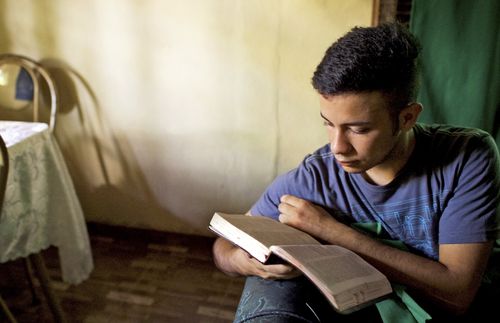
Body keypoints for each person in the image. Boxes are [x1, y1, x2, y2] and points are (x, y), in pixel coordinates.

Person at [212, 22, 500, 322]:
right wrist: (243, 262)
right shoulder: (314, 176)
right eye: (328, 123)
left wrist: (331, 231)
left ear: (407, 118)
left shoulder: (467, 156)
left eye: (358, 129)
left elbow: (457, 293)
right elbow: (224, 245)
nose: (338, 147)